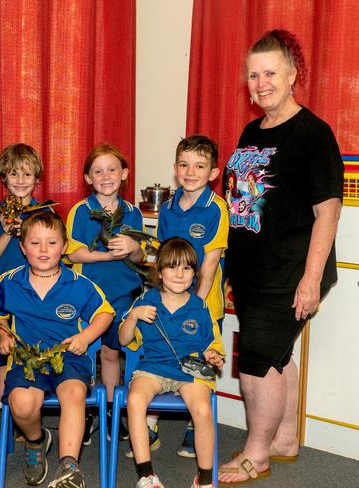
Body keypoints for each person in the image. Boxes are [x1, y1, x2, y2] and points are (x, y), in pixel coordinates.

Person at [217, 30, 343, 484]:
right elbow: (244, 203)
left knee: (254, 363)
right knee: (276, 355)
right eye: (253, 74)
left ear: (293, 75)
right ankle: (284, 438)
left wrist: (310, 280)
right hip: (252, 269)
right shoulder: (253, 130)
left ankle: (258, 453)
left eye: (270, 72)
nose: (261, 82)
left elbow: (327, 214)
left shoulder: (314, 134)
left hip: (290, 272)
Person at [0, 212, 114, 488]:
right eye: (35, 243)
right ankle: (36, 441)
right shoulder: (9, 282)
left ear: (65, 246)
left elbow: (105, 313)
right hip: (28, 359)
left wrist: (86, 335)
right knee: (20, 403)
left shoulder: (79, 285)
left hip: (69, 357)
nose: (43, 250)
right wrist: (3, 334)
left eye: (52, 243)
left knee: (74, 393)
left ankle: (69, 465)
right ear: (22, 247)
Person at [145, 135, 228, 458]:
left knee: (200, 363)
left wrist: (196, 306)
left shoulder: (216, 208)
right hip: (168, 301)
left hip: (203, 304)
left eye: (199, 166)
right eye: (184, 165)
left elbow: (209, 263)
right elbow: (164, 257)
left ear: (213, 173)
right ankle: (149, 424)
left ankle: (196, 428)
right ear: (175, 169)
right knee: (162, 353)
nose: (190, 172)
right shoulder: (166, 207)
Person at [119, 237, 225, 488]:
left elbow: (212, 344)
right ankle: (147, 475)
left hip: (188, 372)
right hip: (153, 368)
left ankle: (204, 480)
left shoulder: (200, 307)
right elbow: (124, 340)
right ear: (159, 271)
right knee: (135, 400)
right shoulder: (146, 302)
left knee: (202, 409)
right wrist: (133, 316)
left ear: (194, 273)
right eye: (172, 267)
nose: (179, 274)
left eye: (186, 268)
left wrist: (212, 355)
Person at [66, 143, 145, 444]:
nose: (106, 176)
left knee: (112, 353)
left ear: (124, 174)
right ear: (88, 178)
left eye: (112, 169)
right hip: (88, 297)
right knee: (86, 354)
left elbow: (140, 258)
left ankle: (111, 409)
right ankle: (84, 410)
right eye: (97, 171)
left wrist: (133, 248)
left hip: (123, 294)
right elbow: (72, 254)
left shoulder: (133, 213)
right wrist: (106, 256)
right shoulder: (80, 211)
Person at [0, 143, 48, 441]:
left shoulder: (44, 214)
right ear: (3, 179)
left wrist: (31, 231)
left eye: (27, 174)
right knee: (0, 352)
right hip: (3, 297)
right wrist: (8, 232)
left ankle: (28, 412)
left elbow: (59, 252)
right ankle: (0, 407)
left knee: (32, 351)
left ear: (37, 179)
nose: (20, 180)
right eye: (13, 174)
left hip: (35, 296)